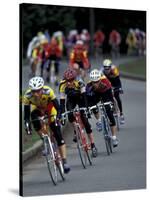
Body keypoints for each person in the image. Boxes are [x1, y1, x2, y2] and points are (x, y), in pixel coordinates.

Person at [23, 76, 70, 173]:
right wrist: (27, 125)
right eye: (33, 91)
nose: (36, 94)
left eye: (38, 91)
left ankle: (64, 161)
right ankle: (45, 141)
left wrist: (59, 117)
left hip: (50, 108)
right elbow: (26, 116)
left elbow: (58, 108)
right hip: (37, 109)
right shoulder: (27, 96)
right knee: (33, 119)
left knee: (58, 135)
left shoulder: (48, 91)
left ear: (42, 88)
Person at [59, 68, 98, 157]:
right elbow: (62, 101)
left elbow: (84, 97)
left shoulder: (80, 82)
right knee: (69, 115)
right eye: (67, 80)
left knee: (85, 121)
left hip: (80, 98)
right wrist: (62, 114)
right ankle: (76, 130)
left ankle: (93, 145)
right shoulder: (62, 85)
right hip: (71, 99)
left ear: (75, 79)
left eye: (71, 80)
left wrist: (86, 109)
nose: (69, 82)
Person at [86, 69, 119, 147]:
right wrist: (89, 107)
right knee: (93, 106)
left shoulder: (105, 82)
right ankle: (99, 121)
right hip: (95, 94)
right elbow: (87, 99)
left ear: (100, 80)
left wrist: (111, 104)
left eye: (97, 81)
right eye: (94, 82)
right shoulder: (89, 85)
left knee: (109, 113)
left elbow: (111, 96)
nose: (95, 84)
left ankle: (114, 137)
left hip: (105, 93)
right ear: (91, 81)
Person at [101, 59, 125, 124]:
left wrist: (120, 88)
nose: (107, 70)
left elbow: (118, 80)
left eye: (108, 68)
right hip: (107, 84)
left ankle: (121, 114)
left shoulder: (114, 70)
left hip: (115, 83)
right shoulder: (101, 72)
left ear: (110, 67)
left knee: (117, 98)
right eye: (105, 68)